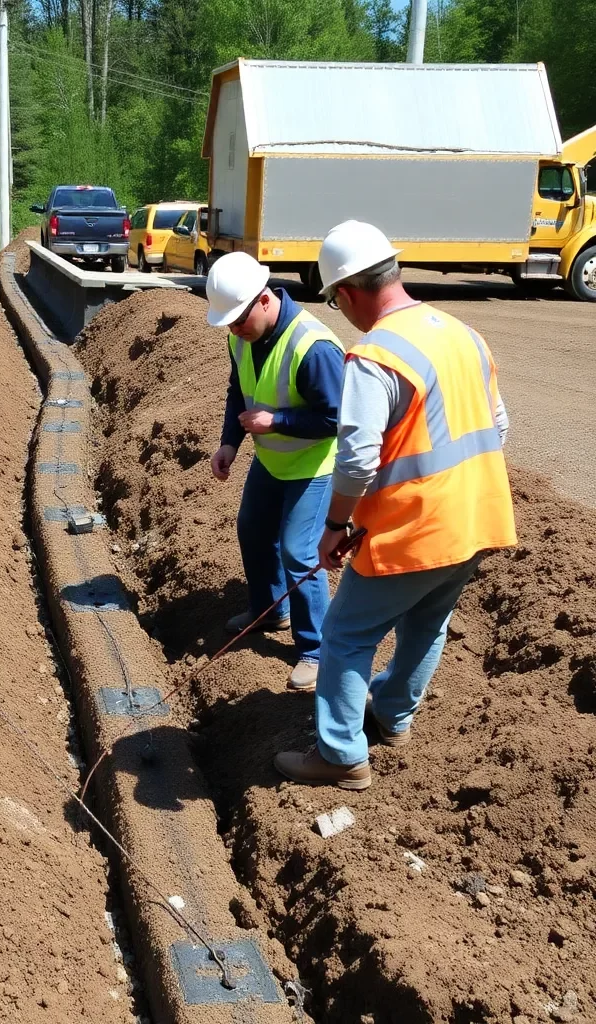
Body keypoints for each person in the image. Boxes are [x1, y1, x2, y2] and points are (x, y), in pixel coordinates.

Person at [274, 221, 516, 790]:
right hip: (477, 519)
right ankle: (393, 715)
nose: (342, 312)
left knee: (345, 634)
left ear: (351, 292)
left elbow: (356, 461)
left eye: (337, 300)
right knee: (428, 623)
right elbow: (497, 426)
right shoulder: (462, 333)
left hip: (417, 530)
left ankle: (339, 755)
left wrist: (336, 525)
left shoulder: (374, 355)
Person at [206, 251, 345, 690]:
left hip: (315, 465)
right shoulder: (241, 337)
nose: (234, 330)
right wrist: (231, 441)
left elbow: (339, 418)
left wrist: (276, 422)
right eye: (228, 323)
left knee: (298, 552)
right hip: (272, 460)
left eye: (239, 320)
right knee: (251, 528)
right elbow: (238, 391)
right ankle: (271, 611)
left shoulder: (314, 348)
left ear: (264, 300)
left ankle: (315, 650)